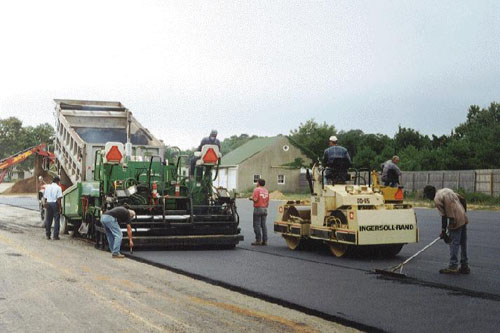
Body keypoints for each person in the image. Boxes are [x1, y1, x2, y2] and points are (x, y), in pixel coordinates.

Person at [423, 185, 470, 274]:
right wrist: (463, 213)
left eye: (426, 195)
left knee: (454, 243)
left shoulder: (437, 199)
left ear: (430, 193)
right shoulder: (446, 190)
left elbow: (444, 216)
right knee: (463, 242)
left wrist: (443, 231)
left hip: (454, 219)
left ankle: (453, 266)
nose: (427, 197)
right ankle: (465, 265)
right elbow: (463, 199)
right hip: (463, 217)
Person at [252, 178, 269, 246]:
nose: (256, 183)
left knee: (256, 225)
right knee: (263, 225)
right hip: (265, 209)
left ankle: (258, 240)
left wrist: (251, 198)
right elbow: (268, 201)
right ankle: (265, 240)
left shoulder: (256, 190)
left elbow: (255, 199)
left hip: (258, 208)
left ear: (258, 183)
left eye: (257, 182)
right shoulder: (266, 190)